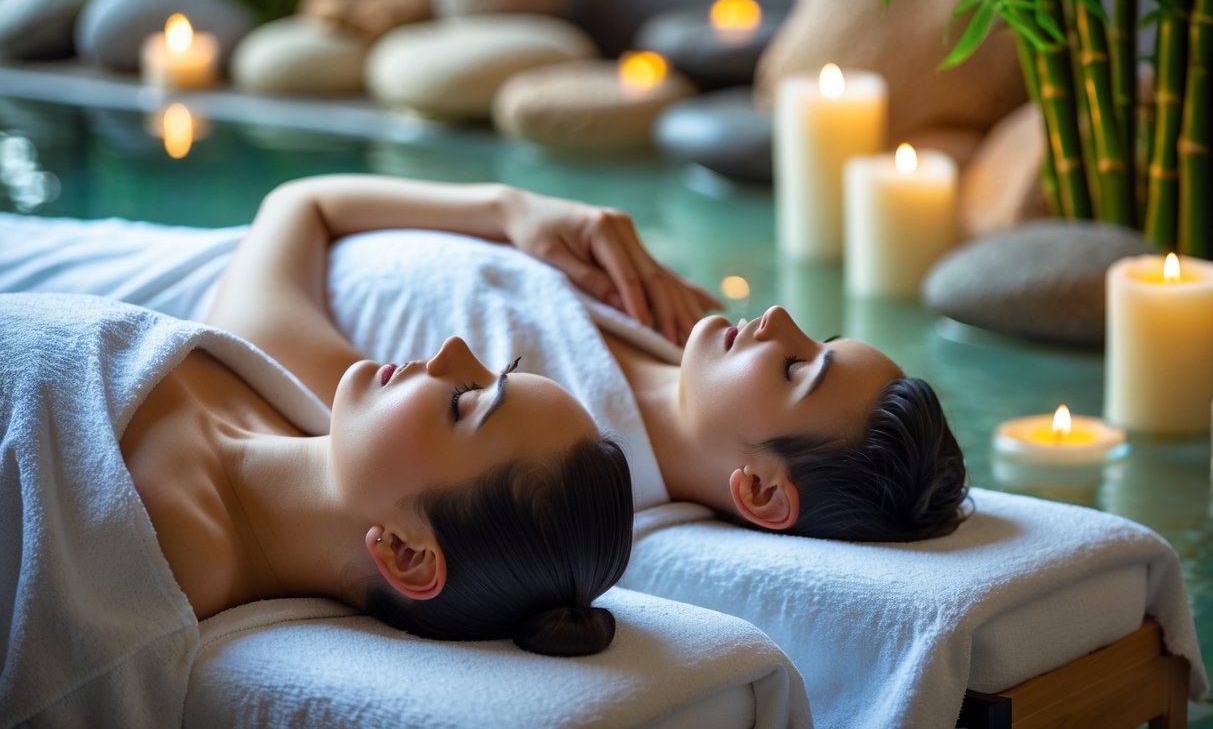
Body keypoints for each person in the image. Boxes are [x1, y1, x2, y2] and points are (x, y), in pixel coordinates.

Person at [1, 179, 683, 725]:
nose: (449, 351)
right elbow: (305, 205)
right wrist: (511, 206)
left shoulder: (137, 558)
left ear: (406, 553)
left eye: (463, 402)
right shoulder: (292, 396)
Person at [205, 174, 969, 543]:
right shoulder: (673, 321)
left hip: (196, 272)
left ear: (763, 492)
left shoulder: (495, 434)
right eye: (816, 338)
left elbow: (296, 215)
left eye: (795, 369)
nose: (775, 318)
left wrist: (499, 207)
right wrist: (524, 214)